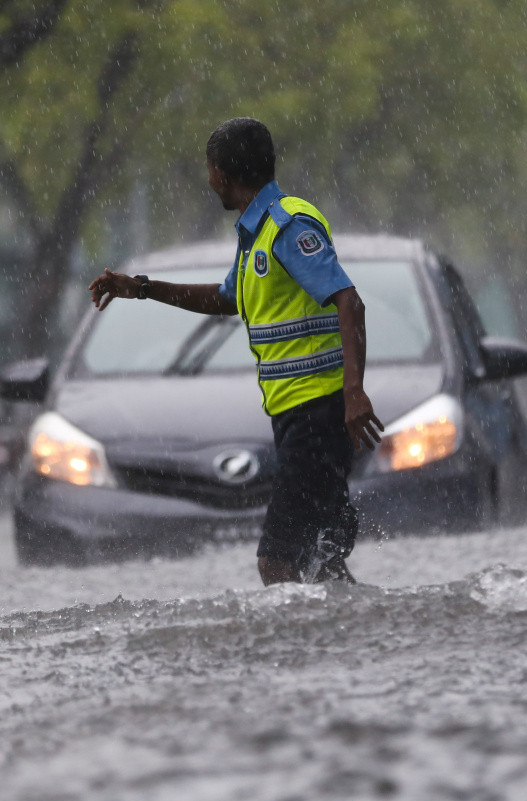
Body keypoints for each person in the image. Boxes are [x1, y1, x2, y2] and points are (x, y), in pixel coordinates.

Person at [87, 117, 383, 587]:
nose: (209, 181)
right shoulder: (256, 232)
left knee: (277, 562)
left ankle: (291, 656)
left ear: (222, 174)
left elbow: (350, 300)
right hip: (299, 414)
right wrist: (140, 289)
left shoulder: (287, 226)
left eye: (209, 170)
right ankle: (362, 641)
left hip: (317, 414)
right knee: (322, 559)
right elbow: (225, 299)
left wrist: (354, 393)